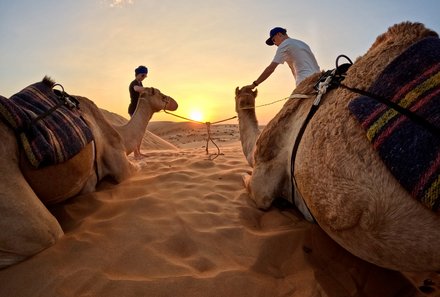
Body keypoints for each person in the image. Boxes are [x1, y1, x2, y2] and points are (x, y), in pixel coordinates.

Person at [244, 27, 320, 91]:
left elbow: (270, 69)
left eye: (274, 40)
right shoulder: (302, 43)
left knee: (290, 109)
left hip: (305, 83)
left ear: (279, 34)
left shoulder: (284, 44)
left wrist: (254, 84)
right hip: (319, 80)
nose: (275, 44)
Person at [128, 65, 149, 159]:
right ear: (137, 74)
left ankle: (138, 152)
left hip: (139, 111)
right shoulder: (134, 83)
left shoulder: (140, 83)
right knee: (135, 133)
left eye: (145, 76)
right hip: (133, 110)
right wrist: (148, 90)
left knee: (140, 133)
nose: (144, 77)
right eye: (143, 75)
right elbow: (136, 89)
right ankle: (136, 154)